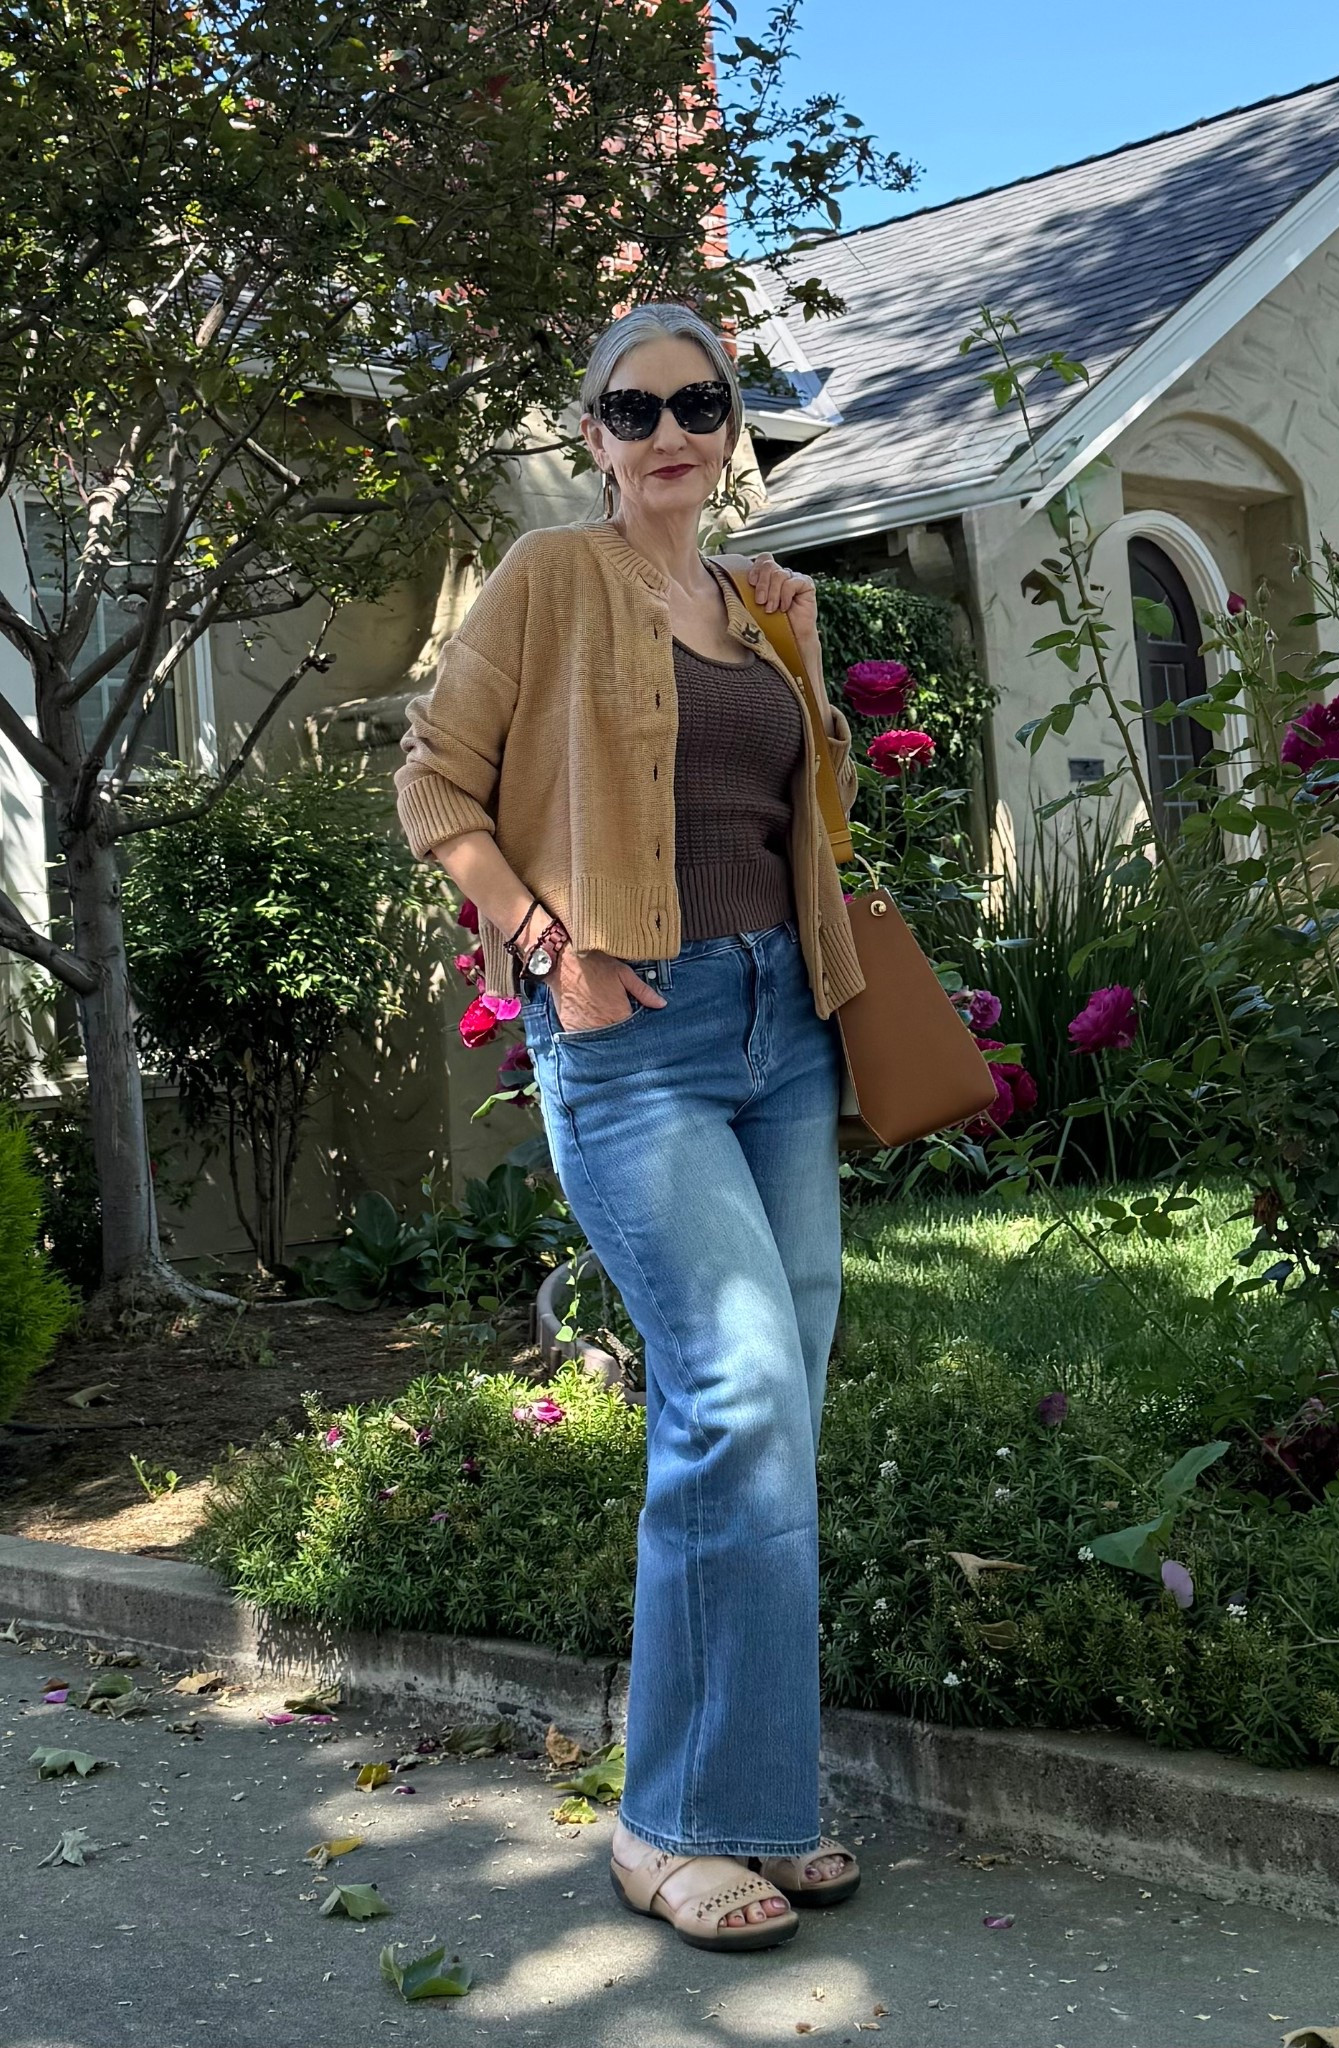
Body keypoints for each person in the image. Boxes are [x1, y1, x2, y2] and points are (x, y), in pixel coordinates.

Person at [393, 303, 867, 1953]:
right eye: (633, 405)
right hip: (634, 1039)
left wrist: (803, 654)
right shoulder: (549, 579)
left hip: (783, 1030)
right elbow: (434, 785)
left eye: (699, 403)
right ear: (591, 433)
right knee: (732, 1390)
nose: (670, 428)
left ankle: (752, 1798)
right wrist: (541, 943)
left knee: (774, 1405)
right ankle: (668, 1826)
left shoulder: (756, 604)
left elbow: (806, 812)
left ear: (731, 427)